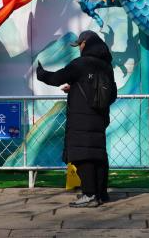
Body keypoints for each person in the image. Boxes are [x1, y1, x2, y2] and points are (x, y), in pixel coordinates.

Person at [36, 29, 117, 207]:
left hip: (81, 119)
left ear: (86, 44)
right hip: (100, 118)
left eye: (80, 44)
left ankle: (89, 195)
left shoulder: (81, 64)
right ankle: (101, 194)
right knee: (98, 156)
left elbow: (57, 78)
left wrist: (41, 74)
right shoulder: (106, 66)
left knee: (82, 156)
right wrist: (76, 89)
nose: (79, 48)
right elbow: (111, 93)